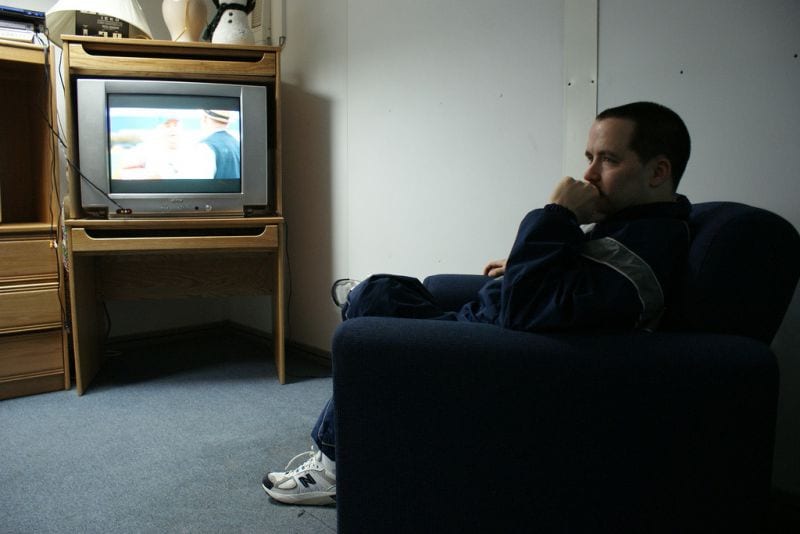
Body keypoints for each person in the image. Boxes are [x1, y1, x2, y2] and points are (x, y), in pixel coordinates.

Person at [261, 101, 693, 505]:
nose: (590, 174)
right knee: (383, 291)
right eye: (589, 157)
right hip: (487, 320)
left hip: (494, 349)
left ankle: (336, 465)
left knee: (366, 323)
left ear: (658, 172)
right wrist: (523, 263)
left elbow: (528, 311)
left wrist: (557, 215)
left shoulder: (642, 255)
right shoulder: (631, 226)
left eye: (608, 160)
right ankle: (361, 308)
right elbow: (569, 289)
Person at [200, 109, 241, 179]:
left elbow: (201, 183)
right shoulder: (237, 144)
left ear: (205, 118)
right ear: (227, 123)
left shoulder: (205, 146)